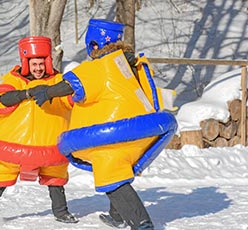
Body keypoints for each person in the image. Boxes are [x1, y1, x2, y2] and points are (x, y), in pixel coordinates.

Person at [33, 19, 177, 230]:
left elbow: (71, 84)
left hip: (113, 134)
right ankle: (117, 216)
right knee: (119, 169)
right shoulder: (130, 64)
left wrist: (47, 92)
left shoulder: (100, 66)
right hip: (140, 132)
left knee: (112, 177)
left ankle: (142, 223)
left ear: (93, 45)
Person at [0, 36, 78, 227]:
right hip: (12, 146)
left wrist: (60, 92)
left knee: (56, 181)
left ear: (47, 63)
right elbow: (0, 99)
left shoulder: (57, 81)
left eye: (41, 64)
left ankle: (61, 213)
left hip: (49, 146)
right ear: (26, 64)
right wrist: (27, 94)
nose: (38, 68)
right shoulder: (13, 80)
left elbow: (72, 98)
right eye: (34, 64)